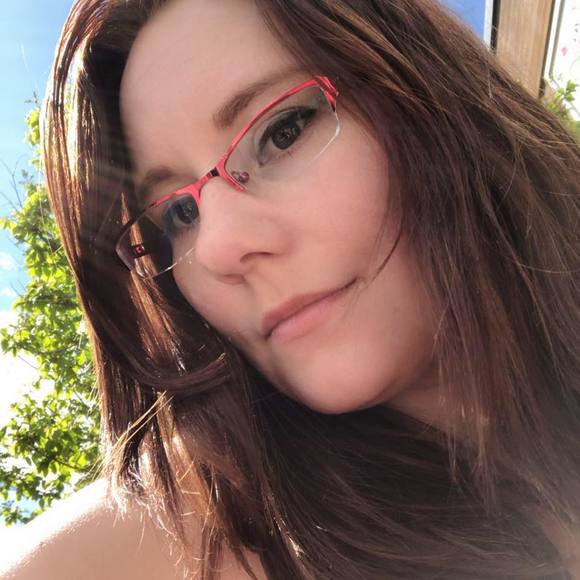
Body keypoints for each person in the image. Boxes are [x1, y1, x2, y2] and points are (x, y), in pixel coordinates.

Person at [1, 0, 579, 578]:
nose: (219, 248)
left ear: (431, 91)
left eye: (282, 132)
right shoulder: (197, 539)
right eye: (179, 214)